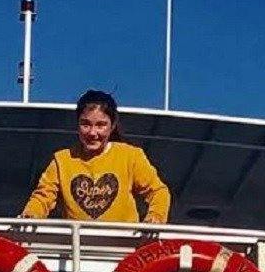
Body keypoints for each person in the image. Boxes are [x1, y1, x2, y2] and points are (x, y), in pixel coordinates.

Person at [21, 89, 171, 226]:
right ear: (77, 124)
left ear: (112, 126)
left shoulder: (131, 156)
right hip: (75, 246)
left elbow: (158, 191)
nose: (93, 133)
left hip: (124, 246)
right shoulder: (61, 160)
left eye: (101, 125)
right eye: (86, 124)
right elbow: (43, 197)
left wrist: (155, 218)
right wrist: (30, 215)